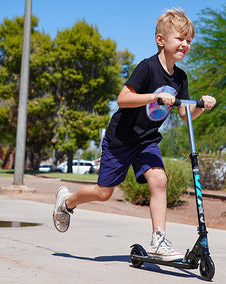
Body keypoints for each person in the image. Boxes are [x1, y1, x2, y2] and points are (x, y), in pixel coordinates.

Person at [53, 7, 216, 262]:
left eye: (189, 41)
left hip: (147, 140)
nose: (185, 44)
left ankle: (158, 239)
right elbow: (123, 98)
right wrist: (154, 96)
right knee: (104, 192)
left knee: (159, 181)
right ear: (161, 40)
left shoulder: (180, 78)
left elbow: (185, 116)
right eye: (180, 38)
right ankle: (67, 201)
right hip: (121, 138)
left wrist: (200, 107)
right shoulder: (147, 68)